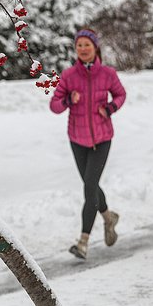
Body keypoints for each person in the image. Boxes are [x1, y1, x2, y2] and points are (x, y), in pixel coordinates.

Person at [50, 29, 127, 259]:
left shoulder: (108, 74)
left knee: (89, 187)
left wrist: (110, 108)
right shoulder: (69, 76)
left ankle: (83, 242)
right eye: (79, 45)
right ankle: (108, 217)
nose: (83, 49)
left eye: (87, 44)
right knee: (91, 186)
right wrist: (67, 100)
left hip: (102, 139)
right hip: (77, 140)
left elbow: (121, 95)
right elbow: (54, 106)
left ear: (95, 48)